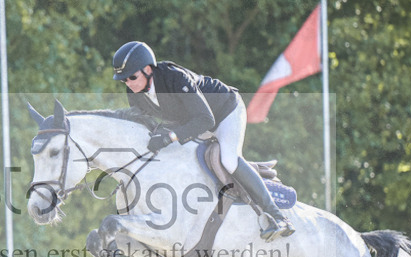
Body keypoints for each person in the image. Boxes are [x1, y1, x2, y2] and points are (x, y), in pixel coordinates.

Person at [111, 41, 294, 242]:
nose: (128, 83)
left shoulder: (173, 77)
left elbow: (206, 119)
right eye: (123, 80)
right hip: (192, 122)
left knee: (229, 160)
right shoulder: (135, 92)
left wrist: (170, 137)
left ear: (147, 69)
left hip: (224, 112)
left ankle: (277, 215)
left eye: (132, 77)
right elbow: (141, 124)